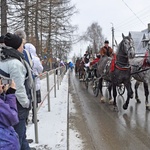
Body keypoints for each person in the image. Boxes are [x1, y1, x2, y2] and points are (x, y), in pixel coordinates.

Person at [0, 33, 34, 150]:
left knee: (20, 137)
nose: (23, 48)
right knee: (17, 138)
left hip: (6, 101)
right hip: (16, 104)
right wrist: (26, 104)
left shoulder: (4, 58)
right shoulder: (15, 63)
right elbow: (18, 88)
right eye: (22, 45)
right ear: (17, 46)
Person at [24, 43, 43, 123]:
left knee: (27, 100)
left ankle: (26, 118)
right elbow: (40, 69)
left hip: (26, 83)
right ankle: (34, 117)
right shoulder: (36, 59)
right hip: (35, 83)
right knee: (34, 102)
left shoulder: (23, 57)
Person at [0, 78, 20, 150]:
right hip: (5, 145)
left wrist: (2, 95)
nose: (2, 85)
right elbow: (12, 117)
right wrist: (11, 95)